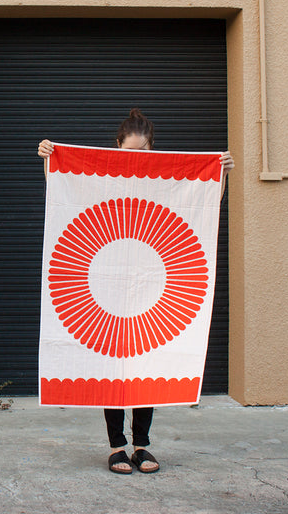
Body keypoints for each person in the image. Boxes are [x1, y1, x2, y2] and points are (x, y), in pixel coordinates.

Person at [37, 107, 235, 474]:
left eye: (142, 151)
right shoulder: (103, 176)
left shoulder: (166, 179)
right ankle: (116, 447)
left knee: (148, 364)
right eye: (129, 151)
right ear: (117, 145)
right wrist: (51, 159)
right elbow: (67, 198)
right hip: (104, 290)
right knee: (109, 368)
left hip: (151, 291)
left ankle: (142, 446)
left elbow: (202, 209)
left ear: (152, 147)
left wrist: (218, 173)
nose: (136, 158)